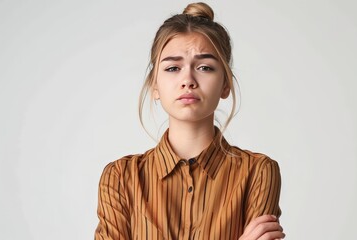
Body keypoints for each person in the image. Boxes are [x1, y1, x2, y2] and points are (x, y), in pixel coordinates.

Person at [94, 2, 284, 239]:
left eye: (205, 67)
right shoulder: (120, 177)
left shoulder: (258, 172)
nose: (188, 80)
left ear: (226, 84)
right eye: (173, 68)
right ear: (155, 84)